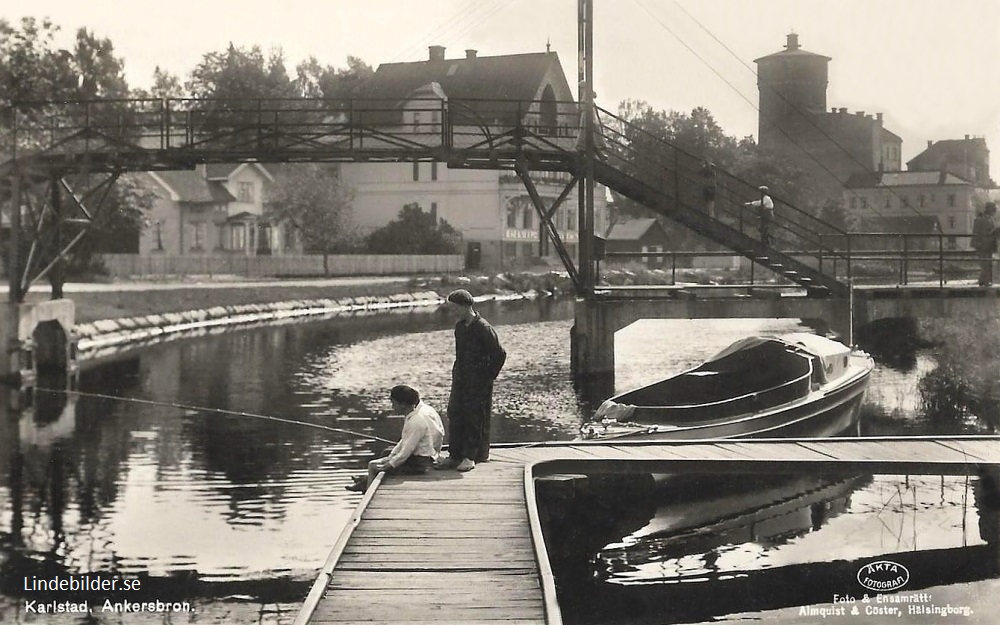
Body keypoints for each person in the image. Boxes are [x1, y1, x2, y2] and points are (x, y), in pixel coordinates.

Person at [436, 289, 506, 472]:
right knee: (455, 413)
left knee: (475, 417)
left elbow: (499, 354)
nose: (453, 312)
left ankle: (470, 456)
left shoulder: (483, 328)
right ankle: (455, 455)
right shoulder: (459, 327)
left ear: (466, 306)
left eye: (455, 308)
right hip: (460, 379)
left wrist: (488, 376)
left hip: (479, 382)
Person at [345, 384, 444, 492]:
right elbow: (403, 443)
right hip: (416, 460)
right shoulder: (412, 418)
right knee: (378, 461)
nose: (392, 407)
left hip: (419, 464)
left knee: (373, 465)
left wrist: (390, 464)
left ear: (402, 405)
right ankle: (367, 484)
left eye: (393, 404)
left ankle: (368, 491)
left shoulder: (416, 421)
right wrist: (391, 456)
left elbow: (407, 449)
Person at [972, 202, 997, 286]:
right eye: (993, 208)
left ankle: (983, 281)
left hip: (989, 245)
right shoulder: (980, 219)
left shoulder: (990, 219)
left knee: (988, 263)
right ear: (988, 209)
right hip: (982, 245)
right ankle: (985, 281)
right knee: (985, 263)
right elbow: (976, 232)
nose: (994, 210)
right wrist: (977, 243)